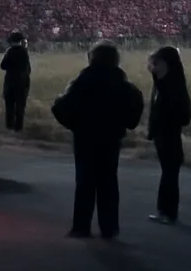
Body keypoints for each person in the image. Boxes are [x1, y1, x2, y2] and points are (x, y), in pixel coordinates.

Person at [52, 40, 144, 240]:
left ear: (91, 58)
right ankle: (109, 228)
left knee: (85, 183)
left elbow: (60, 107)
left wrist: (74, 125)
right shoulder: (123, 84)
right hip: (111, 139)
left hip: (85, 139)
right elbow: (134, 113)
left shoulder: (81, 82)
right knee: (109, 183)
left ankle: (81, 227)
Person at [146, 46, 191, 224]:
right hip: (166, 135)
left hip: (169, 135)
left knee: (169, 173)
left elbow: (182, 114)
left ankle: (167, 211)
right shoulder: (166, 83)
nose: (154, 67)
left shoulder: (171, 87)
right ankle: (166, 210)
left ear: (166, 64)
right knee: (169, 172)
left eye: (157, 63)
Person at [0, 31, 31, 132]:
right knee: (20, 105)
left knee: (9, 105)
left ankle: (9, 125)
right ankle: (18, 127)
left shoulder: (10, 52)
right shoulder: (24, 52)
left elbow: (3, 66)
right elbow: (28, 69)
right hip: (22, 82)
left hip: (10, 82)